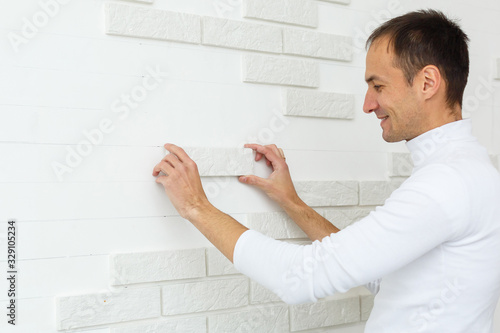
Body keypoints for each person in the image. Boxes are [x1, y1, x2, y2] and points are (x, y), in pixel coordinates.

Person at [152, 10, 500, 332]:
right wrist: (292, 203)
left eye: (378, 86)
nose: (367, 104)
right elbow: (386, 277)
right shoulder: (468, 173)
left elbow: (300, 279)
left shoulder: (446, 184)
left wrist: (197, 207)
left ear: (427, 83)